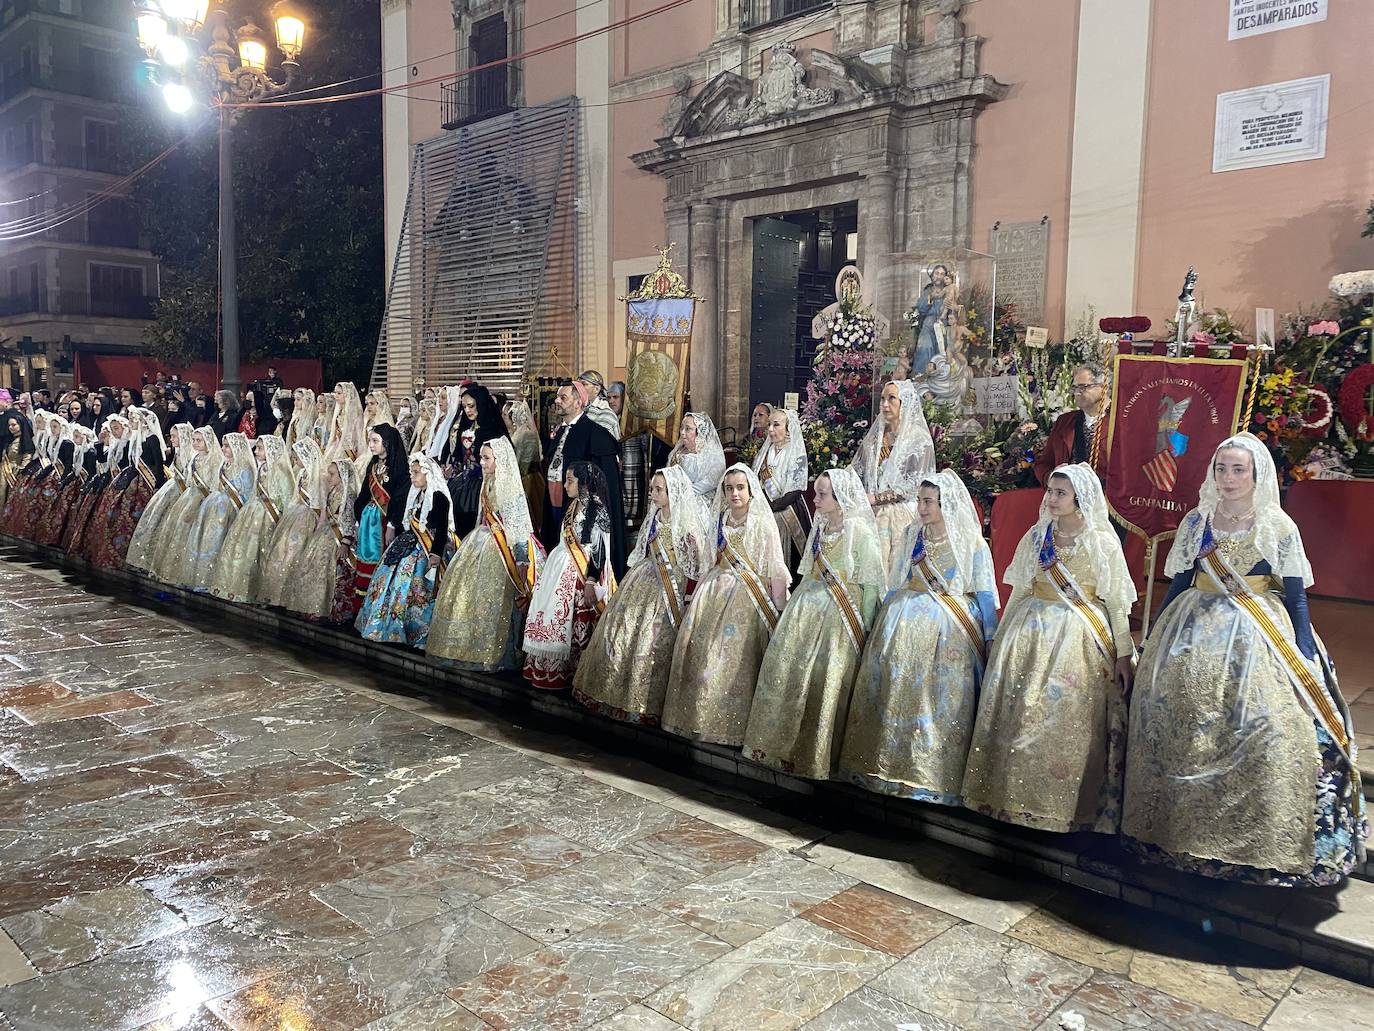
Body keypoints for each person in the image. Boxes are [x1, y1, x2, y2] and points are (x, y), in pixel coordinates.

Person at [1123, 434, 1366, 885]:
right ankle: (1172, 834)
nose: (1229, 478)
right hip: (1190, 628)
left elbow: (1295, 598)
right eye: (1221, 469)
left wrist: (1305, 652)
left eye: (1239, 470)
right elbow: (1179, 582)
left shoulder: (1277, 525)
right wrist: (1152, 634)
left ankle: (1252, 842)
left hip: (1257, 634)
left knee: (1266, 723)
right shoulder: (1198, 522)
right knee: (1175, 718)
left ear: (1257, 474)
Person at [961, 463, 1136, 834]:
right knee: (1022, 711)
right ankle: (1011, 800)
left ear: (1079, 499)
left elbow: (1117, 603)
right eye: (1050, 491)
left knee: (1066, 719)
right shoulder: (1038, 535)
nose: (1052, 499)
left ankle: (1061, 806)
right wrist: (1001, 636)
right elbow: (1021, 589)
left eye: (1061, 493)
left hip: (1079, 637)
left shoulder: (1102, 542)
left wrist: (1124, 653)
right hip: (1029, 632)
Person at [839, 470, 999, 804]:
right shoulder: (913, 534)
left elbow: (984, 592)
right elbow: (898, 579)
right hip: (903, 619)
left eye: (928, 502)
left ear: (946, 504)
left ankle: (930, 773)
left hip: (949, 628)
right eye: (920, 501)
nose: (922, 508)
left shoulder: (970, 540)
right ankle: (884, 766)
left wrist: (989, 636)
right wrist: (882, 615)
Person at [743, 467, 883, 778]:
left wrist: (867, 625)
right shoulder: (819, 526)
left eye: (822, 494)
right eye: (816, 492)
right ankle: (785, 747)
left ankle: (821, 751)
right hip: (808, 608)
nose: (815, 499)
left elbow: (872, 584)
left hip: (841, 617)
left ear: (840, 497)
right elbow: (808, 569)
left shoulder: (858, 530)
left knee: (828, 679)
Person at [661, 464, 788, 746]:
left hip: (748, 597)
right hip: (716, 591)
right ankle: (699, 719)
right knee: (702, 653)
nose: (734, 493)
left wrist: (778, 609)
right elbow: (711, 559)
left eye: (740, 488)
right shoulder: (720, 519)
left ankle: (734, 725)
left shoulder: (761, 522)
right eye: (729, 488)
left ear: (750, 490)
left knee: (732, 659)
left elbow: (772, 567)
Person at [573, 466, 709, 725]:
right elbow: (644, 550)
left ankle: (649, 702)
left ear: (673, 492)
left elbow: (695, 564)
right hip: (644, 578)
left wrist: (689, 599)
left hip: (670, 588)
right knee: (624, 632)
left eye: (659, 490)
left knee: (653, 639)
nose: (653, 495)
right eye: (652, 489)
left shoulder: (687, 526)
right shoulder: (654, 519)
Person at [427, 437, 537, 672]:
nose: (482, 463)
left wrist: (521, 558)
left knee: (497, 600)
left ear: (500, 460)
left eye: (487, 458)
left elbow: (518, 526)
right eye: (481, 458)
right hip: (482, 541)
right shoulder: (487, 482)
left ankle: (498, 652)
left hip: (502, 548)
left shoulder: (509, 487)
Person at [522, 461, 616, 690]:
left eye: (570, 481)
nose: (565, 485)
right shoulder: (573, 505)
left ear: (584, 483)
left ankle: (574, 671)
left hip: (582, 573)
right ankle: (551, 670)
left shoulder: (597, 509)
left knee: (575, 621)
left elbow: (600, 549)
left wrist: (591, 580)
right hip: (560, 566)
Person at [356, 453, 451, 645]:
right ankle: (385, 625)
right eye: (411, 472)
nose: (412, 477)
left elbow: (441, 529)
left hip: (427, 548)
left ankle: (414, 630)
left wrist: (435, 555)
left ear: (428, 473)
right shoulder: (416, 495)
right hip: (410, 542)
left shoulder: (439, 497)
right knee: (387, 575)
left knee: (409, 583)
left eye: (416, 473)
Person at [849, 379, 935, 574]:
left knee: (896, 571)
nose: (885, 404)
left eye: (892, 399)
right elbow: (856, 472)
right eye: (882, 399)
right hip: (870, 512)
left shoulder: (919, 440)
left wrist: (877, 498)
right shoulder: (874, 440)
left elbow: (916, 486)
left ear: (905, 403)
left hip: (903, 515)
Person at [543, 382, 626, 575]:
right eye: (558, 397)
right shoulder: (561, 431)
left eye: (563, 398)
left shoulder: (596, 435)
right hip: (555, 503)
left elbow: (605, 487)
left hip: (580, 512)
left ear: (578, 402)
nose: (557, 401)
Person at [208, 435, 295, 604]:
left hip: (268, 516)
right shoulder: (262, 468)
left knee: (260, 551)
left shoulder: (281, 471)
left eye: (260, 448)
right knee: (243, 548)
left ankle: (258, 590)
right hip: (253, 512)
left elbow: (285, 498)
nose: (256, 451)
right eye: (257, 448)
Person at [283, 457, 361, 622]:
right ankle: (310, 606)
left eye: (332, 474)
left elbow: (349, 519)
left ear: (342, 476)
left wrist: (346, 542)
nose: (329, 477)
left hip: (338, 539)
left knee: (327, 568)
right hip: (326, 534)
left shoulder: (348, 494)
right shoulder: (333, 490)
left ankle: (326, 609)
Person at [91, 408, 167, 570]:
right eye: (130, 419)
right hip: (133, 479)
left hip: (147, 481)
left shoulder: (151, 438)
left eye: (133, 419)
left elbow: (158, 464)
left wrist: (157, 486)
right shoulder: (133, 438)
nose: (130, 422)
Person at [149, 425, 220, 585]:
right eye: (194, 440)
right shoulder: (194, 458)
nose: (195, 443)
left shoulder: (214, 459)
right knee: (177, 527)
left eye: (199, 440)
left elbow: (213, 483)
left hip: (203, 498)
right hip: (190, 496)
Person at [258, 438, 325, 607]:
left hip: (309, 517)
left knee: (295, 551)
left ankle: (289, 596)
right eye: (294, 458)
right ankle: (275, 595)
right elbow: (295, 496)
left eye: (298, 458)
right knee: (281, 550)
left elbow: (319, 502)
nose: (295, 461)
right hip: (295, 515)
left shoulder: (319, 477)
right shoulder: (301, 473)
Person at [185, 431, 255, 591]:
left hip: (230, 511)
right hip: (214, 507)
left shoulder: (245, 468)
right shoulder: (224, 464)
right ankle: (202, 578)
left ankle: (214, 580)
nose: (223, 449)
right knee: (207, 540)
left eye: (227, 446)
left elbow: (246, 493)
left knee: (219, 542)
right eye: (223, 446)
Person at [352, 424, 411, 603]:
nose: (371, 445)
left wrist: (392, 525)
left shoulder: (399, 468)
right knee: (364, 561)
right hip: (368, 522)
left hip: (385, 522)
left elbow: (400, 498)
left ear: (387, 443)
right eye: (370, 441)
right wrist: (358, 519)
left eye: (375, 441)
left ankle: (378, 602)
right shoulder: (373, 465)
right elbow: (364, 493)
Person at [126, 424, 193, 573]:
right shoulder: (178, 452)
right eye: (171, 436)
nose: (171, 439)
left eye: (174, 436)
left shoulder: (190, 455)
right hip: (172, 490)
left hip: (184, 495)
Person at [751, 407, 811, 570]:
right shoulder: (765, 453)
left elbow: (796, 489)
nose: (770, 429)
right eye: (769, 424)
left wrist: (773, 507)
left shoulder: (795, 453)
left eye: (776, 425)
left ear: (788, 429)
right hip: (765, 513)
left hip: (788, 512)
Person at [445, 384, 506, 540]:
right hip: (463, 481)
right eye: (464, 406)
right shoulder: (465, 426)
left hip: (485, 482)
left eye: (471, 406)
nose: (467, 410)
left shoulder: (492, 429)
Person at [1034, 362, 1110, 485]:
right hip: (1069, 499)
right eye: (1074, 388)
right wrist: (1052, 478)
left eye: (1083, 387)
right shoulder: (1065, 421)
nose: (1077, 393)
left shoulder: (1121, 422)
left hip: (1107, 499)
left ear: (1104, 387)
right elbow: (1044, 464)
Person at [666, 411, 727, 512]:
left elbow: (712, 481)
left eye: (688, 429)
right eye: (682, 427)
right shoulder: (677, 451)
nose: (682, 432)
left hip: (699, 501)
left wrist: (683, 495)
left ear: (699, 432)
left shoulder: (711, 454)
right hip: (675, 497)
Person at [503, 398, 545, 526]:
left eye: (504, 414)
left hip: (528, 479)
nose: (502, 417)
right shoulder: (515, 432)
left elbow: (522, 461)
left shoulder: (526, 434)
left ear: (513, 416)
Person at [0, 411, 34, 513]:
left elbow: (26, 461)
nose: (11, 427)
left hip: (13, 475)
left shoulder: (25, 441)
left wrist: (19, 474)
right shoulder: (10, 439)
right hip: (4, 471)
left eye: (14, 425)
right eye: (9, 425)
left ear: (21, 425)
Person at [577, 369, 622, 439]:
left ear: (597, 389)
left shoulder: (606, 415)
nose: (579, 388)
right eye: (578, 385)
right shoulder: (580, 409)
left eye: (584, 384)